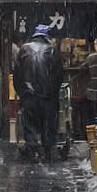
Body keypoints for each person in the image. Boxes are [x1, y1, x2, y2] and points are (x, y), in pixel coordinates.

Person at [13, 24, 64, 162]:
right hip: (48, 97)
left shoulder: (24, 49)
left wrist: (23, 92)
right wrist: (53, 91)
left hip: (29, 96)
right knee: (48, 124)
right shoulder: (52, 51)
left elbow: (17, 75)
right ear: (46, 37)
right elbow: (59, 75)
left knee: (29, 124)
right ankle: (47, 151)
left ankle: (33, 150)